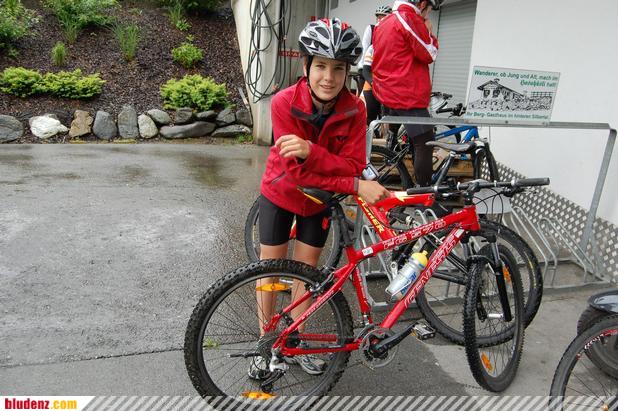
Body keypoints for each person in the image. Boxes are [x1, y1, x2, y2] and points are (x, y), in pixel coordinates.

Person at [249, 18, 390, 380]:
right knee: (270, 271)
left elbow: (354, 164)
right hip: (281, 192)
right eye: (321, 66)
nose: (329, 77)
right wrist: (352, 184)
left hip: (320, 200)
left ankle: (296, 341)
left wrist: (311, 151)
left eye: (338, 68)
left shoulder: (356, 109)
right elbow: (297, 174)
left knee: (306, 274)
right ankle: (266, 344)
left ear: (347, 71)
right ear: (306, 66)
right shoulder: (283, 102)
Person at [371, 0, 444, 186]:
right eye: (429, 10)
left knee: (402, 136)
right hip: (406, 95)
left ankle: (393, 158)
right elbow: (430, 53)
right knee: (425, 142)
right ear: (422, 4)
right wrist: (429, 31)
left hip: (387, 92)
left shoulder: (384, 22)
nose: (428, 15)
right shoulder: (408, 18)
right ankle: (423, 191)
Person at [356, 5, 392, 100]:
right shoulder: (371, 29)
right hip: (366, 68)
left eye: (383, 17)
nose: (380, 20)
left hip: (382, 74)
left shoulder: (391, 31)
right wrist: (361, 68)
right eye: (378, 17)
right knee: (362, 100)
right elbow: (364, 47)